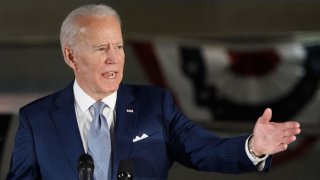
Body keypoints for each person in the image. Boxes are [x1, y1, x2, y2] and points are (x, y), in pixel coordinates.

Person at [6, 4, 301, 180]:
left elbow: (205, 150)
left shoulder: (154, 105)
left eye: (118, 46)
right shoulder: (37, 119)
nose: (114, 58)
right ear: (71, 57)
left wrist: (254, 147)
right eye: (101, 48)